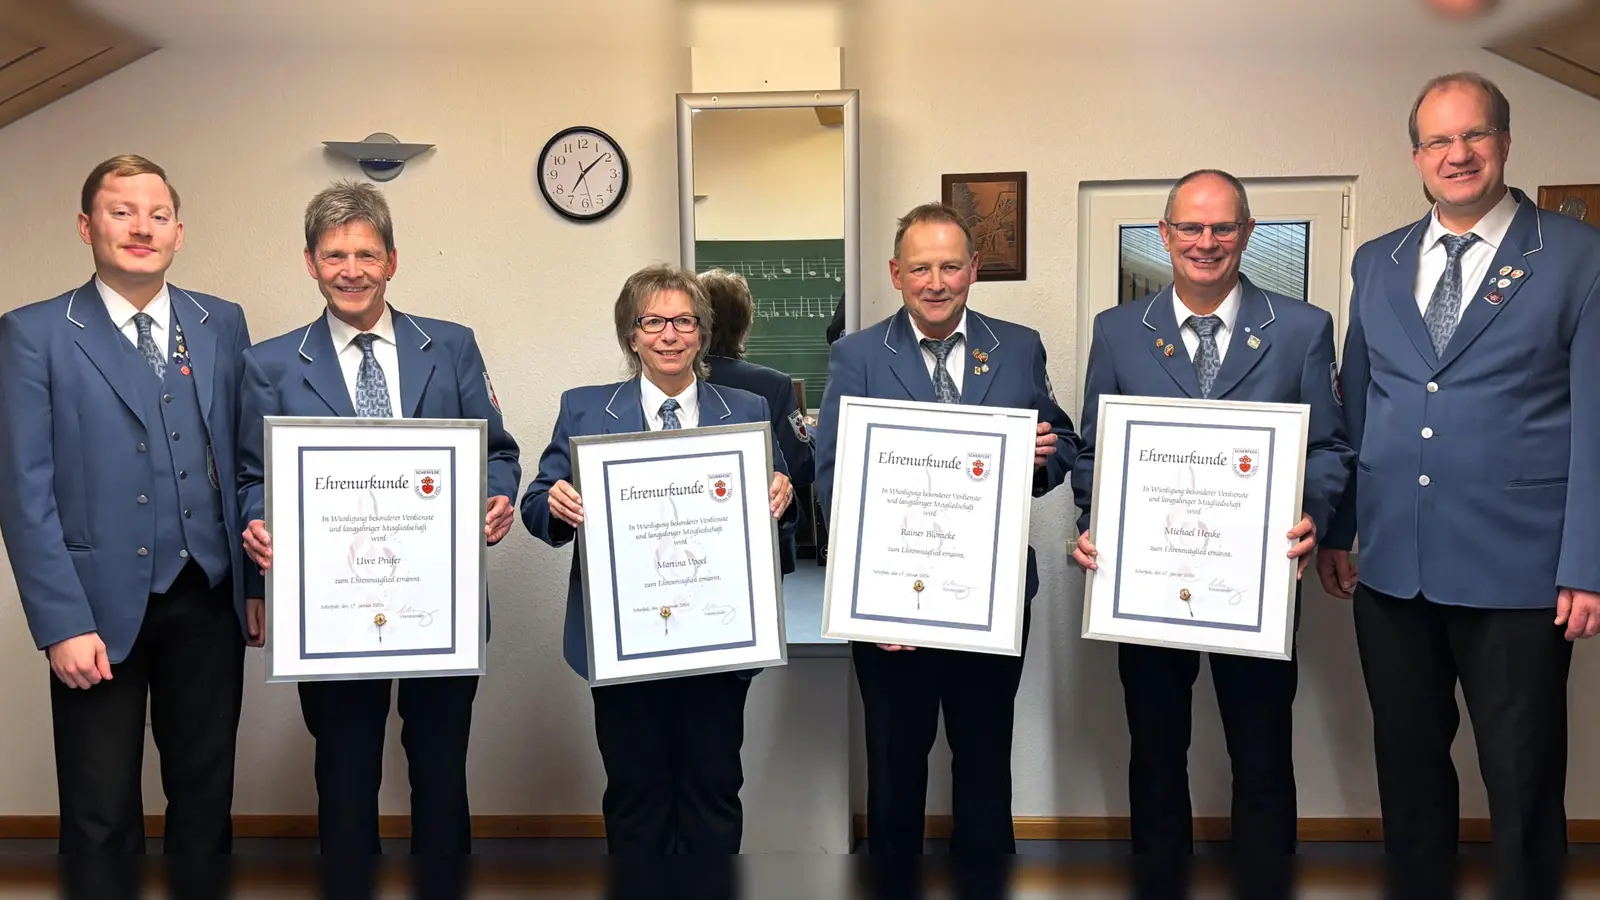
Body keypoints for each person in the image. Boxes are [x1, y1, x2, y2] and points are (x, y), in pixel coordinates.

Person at [1317, 72, 1600, 900]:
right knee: (1405, 770)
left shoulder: (1578, 256)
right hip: (1394, 565)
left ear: (1505, 143)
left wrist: (1586, 560)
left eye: (1474, 135)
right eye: (1438, 141)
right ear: (1415, 157)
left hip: (1520, 569)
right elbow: (1358, 405)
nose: (1458, 153)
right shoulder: (1379, 260)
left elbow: (1594, 418)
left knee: (1521, 778)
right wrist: (1339, 530)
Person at [1070, 170, 1354, 898]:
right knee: (1156, 751)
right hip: (1147, 581)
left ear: (1247, 234)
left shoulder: (1301, 328)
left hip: (1253, 581)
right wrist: (1091, 522)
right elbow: (1099, 451)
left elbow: (1328, 447)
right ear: (1165, 235)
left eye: (1222, 227)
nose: (1206, 242)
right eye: (1190, 228)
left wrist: (1315, 515)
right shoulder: (1117, 330)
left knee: (1261, 752)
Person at [236, 180, 521, 855]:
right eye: (334, 256)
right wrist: (259, 525)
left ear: (392, 260)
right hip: (329, 607)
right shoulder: (268, 364)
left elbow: (498, 452)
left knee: (442, 770)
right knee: (343, 772)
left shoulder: (450, 347)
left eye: (366, 255)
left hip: (439, 601)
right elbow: (255, 476)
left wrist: (497, 495)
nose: (352, 271)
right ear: (310, 263)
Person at [0, 155, 257, 865]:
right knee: (100, 810)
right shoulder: (34, 333)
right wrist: (61, 622)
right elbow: (23, 492)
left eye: (158, 215)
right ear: (87, 225)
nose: (141, 227)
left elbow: (244, 462)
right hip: (94, 611)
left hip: (207, 598)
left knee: (205, 801)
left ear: (179, 232)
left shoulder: (221, 323)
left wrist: (254, 587)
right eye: (121, 212)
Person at [814, 203, 1080, 855]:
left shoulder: (1019, 346)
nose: (936, 282)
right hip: (889, 609)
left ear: (974, 270)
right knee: (894, 773)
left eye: (951, 267)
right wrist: (864, 599)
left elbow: (1063, 437)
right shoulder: (856, 355)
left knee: (986, 771)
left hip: (990, 600)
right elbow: (830, 473)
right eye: (922, 267)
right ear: (896, 273)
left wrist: (1045, 456)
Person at [520, 263, 796, 856]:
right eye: (653, 322)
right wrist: (558, 504)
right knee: (636, 796)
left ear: (702, 333)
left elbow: (785, 502)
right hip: (623, 640)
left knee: (714, 791)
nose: (669, 335)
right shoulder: (586, 410)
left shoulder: (747, 410)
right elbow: (537, 505)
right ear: (631, 335)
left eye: (683, 321)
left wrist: (784, 491)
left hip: (718, 641)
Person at [700, 267, 816, 575]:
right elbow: (801, 467)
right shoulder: (774, 384)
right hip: (762, 539)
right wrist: (812, 433)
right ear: (745, 323)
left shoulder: (674, 383)